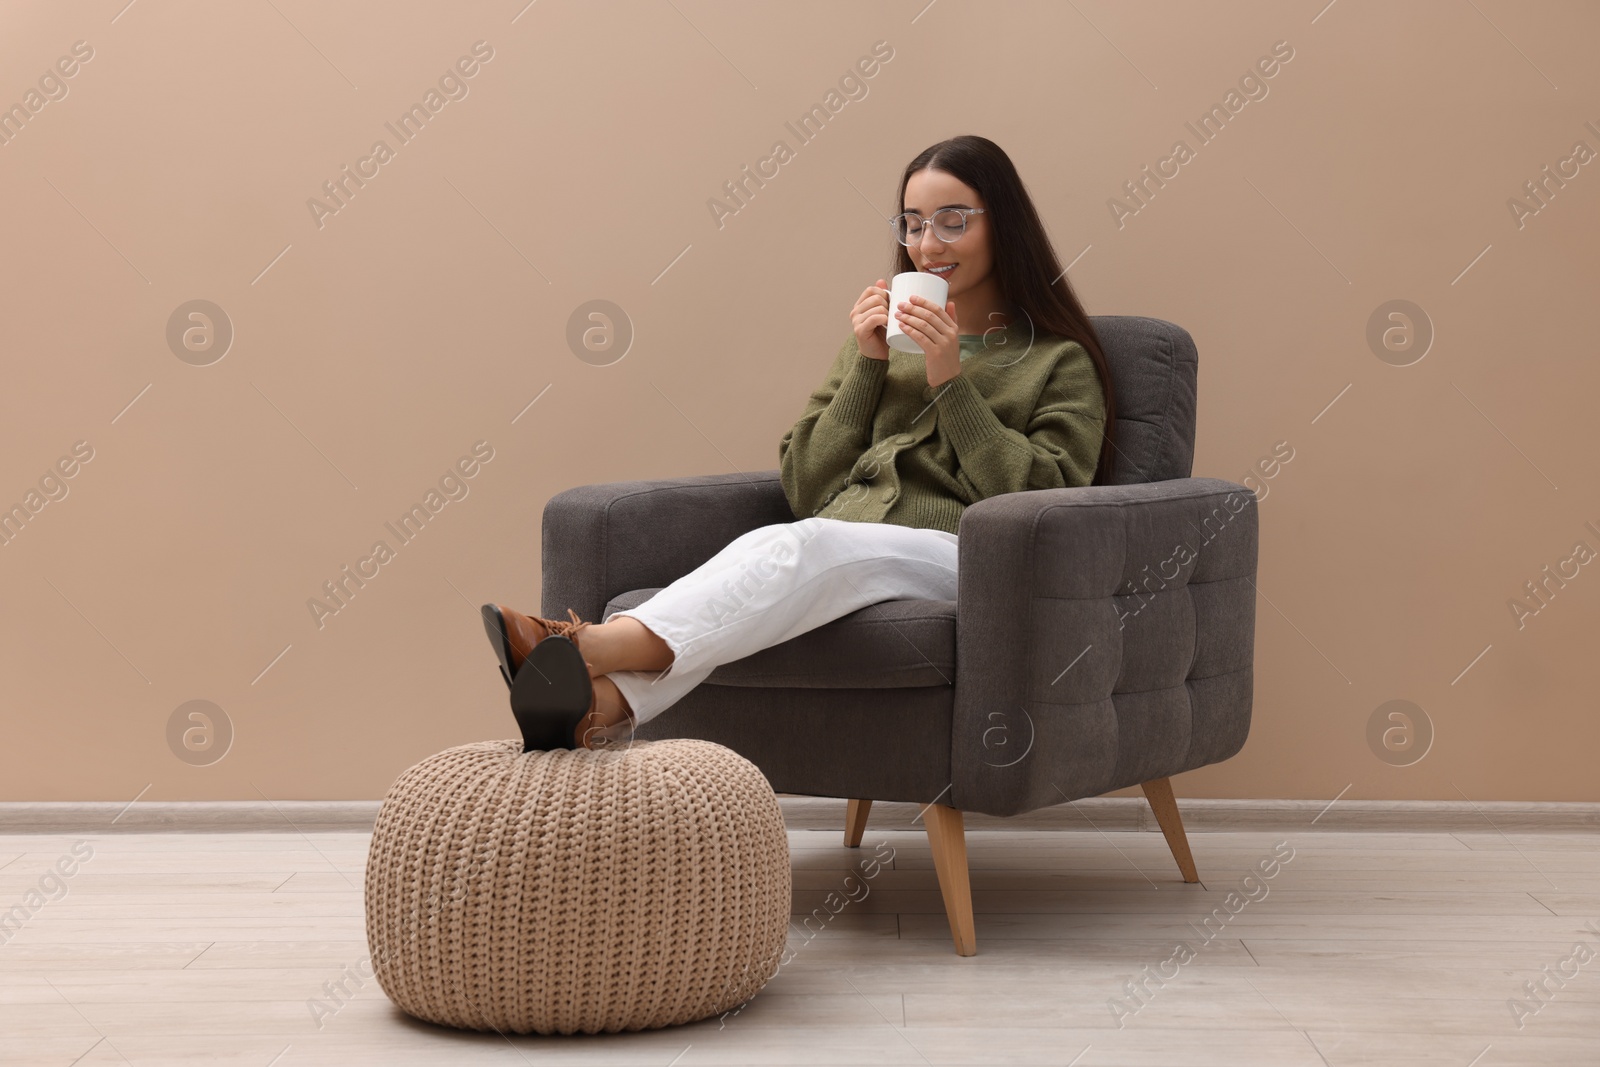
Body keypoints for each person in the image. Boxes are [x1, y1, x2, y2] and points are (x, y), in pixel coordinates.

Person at [482, 134, 1118, 751]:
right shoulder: (871, 347)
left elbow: (1044, 504)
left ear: (1002, 224)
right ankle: (595, 710)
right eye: (914, 223)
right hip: (843, 544)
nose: (929, 244)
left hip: (972, 561)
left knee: (809, 546)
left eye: (953, 221)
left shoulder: (1058, 362)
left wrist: (950, 379)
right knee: (767, 572)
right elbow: (808, 487)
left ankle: (581, 645)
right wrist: (868, 367)